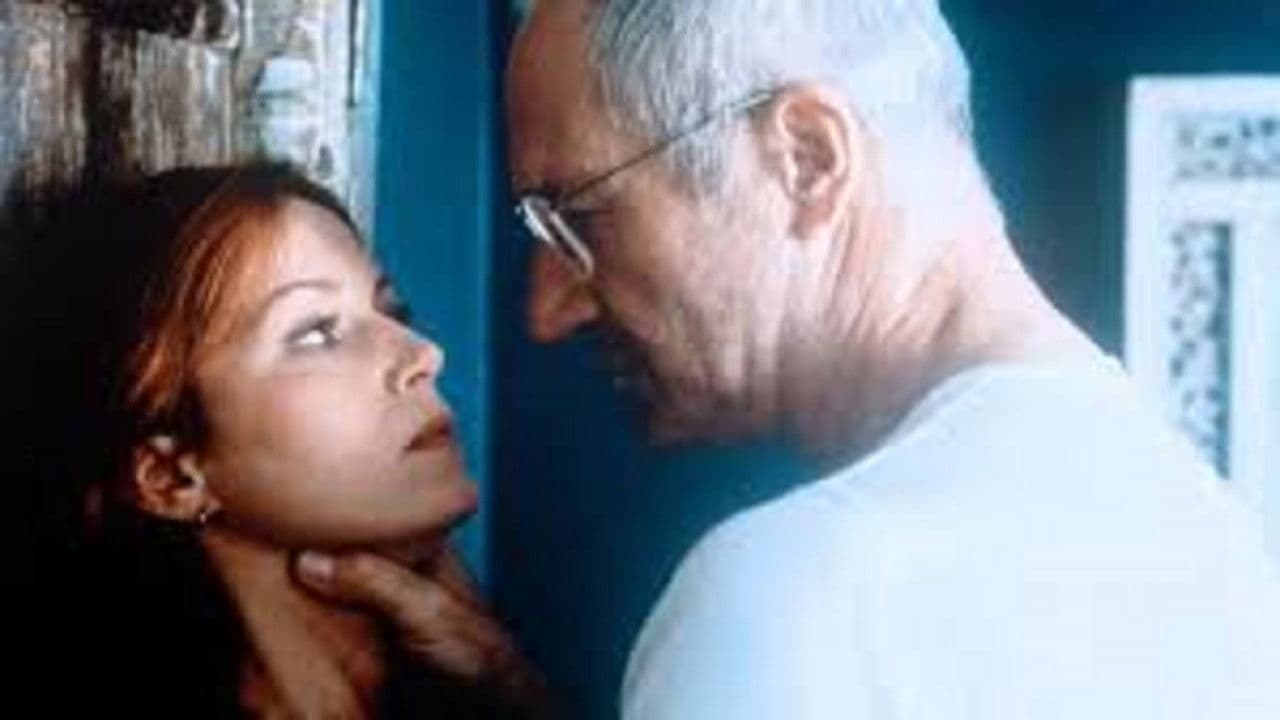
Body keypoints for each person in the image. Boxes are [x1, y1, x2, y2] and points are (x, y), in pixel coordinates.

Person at [305, 0, 1280, 717]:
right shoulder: (1205, 542)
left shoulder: (807, 589)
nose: (545, 310)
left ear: (807, 157)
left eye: (579, 219)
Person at [29, 164, 545, 718]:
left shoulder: (486, 682)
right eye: (317, 333)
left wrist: (511, 687)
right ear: (171, 477)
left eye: (392, 311)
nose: (423, 354)